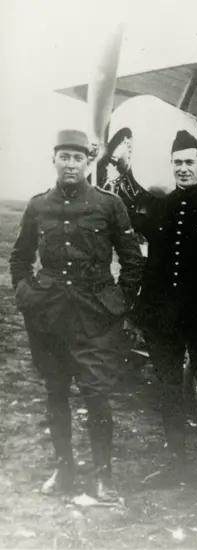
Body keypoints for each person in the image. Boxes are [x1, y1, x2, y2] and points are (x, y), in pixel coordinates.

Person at [9, 129, 144, 498]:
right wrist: (25, 293)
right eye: (64, 157)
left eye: (78, 158)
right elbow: (19, 257)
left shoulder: (109, 204)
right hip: (48, 316)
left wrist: (121, 301)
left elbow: (132, 259)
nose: (71, 164)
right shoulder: (38, 205)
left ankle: (103, 477)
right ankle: (64, 471)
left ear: (89, 162)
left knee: (96, 393)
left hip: (94, 315)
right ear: (53, 159)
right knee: (55, 392)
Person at [127, 130, 197, 491]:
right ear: (171, 165)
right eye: (177, 162)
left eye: (190, 161)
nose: (184, 168)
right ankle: (177, 463)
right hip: (161, 319)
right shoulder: (159, 207)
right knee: (168, 388)